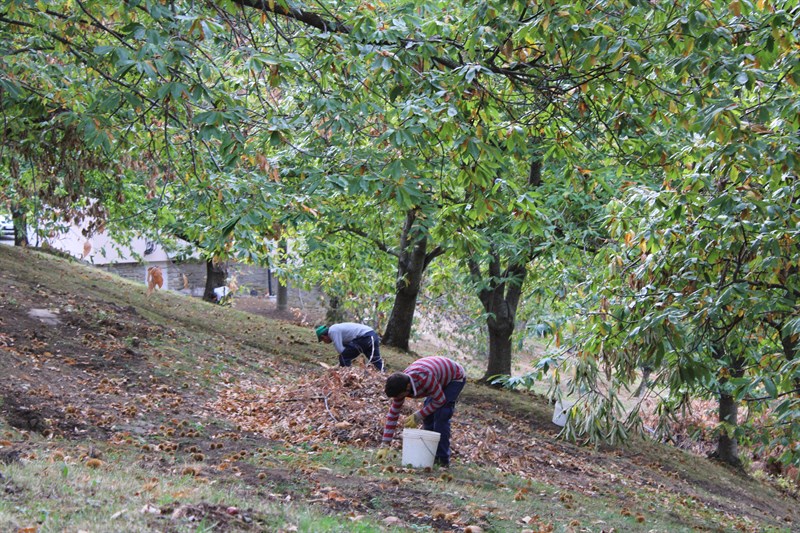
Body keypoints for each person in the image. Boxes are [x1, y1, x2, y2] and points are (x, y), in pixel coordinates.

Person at [380, 356, 466, 467]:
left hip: (454, 377)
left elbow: (440, 400)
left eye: (400, 396)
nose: (398, 398)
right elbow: (393, 414)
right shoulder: (400, 384)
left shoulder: (424, 378)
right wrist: (385, 444)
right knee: (428, 417)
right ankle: (429, 454)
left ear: (408, 387)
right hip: (437, 378)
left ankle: (442, 459)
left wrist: (419, 415)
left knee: (441, 415)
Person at [315, 323, 384, 371]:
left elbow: (341, 351)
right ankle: (384, 375)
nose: (325, 342)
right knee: (376, 360)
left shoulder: (332, 331)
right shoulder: (337, 330)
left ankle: (347, 375)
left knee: (344, 356)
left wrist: (338, 366)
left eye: (323, 340)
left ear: (323, 336)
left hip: (365, 337)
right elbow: (348, 348)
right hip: (371, 335)